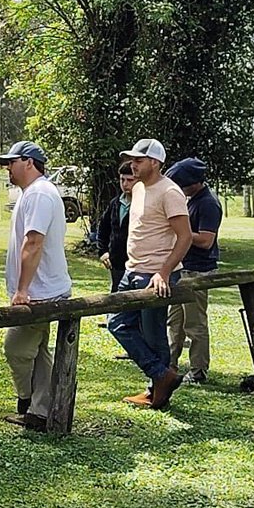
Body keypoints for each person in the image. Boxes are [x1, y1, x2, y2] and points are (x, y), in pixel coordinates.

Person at [108, 138, 192, 409]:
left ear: (155, 163)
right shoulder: (138, 188)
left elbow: (185, 237)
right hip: (132, 270)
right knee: (116, 323)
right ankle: (161, 376)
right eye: (131, 160)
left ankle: (157, 389)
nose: (133, 165)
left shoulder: (170, 192)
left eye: (138, 160)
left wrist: (164, 273)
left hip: (155, 275)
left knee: (153, 334)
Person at [0, 141, 71, 432]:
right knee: (38, 351)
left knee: (16, 348)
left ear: (29, 162)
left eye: (12, 162)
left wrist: (23, 290)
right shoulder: (34, 192)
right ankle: (41, 410)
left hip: (41, 293)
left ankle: (28, 400)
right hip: (44, 289)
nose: (7, 168)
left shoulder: (39, 193)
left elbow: (34, 242)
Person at [164, 157, 223, 384]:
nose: (180, 190)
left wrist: (181, 232)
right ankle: (168, 366)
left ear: (196, 183)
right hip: (182, 269)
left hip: (197, 272)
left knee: (194, 324)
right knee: (174, 323)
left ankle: (198, 371)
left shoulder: (208, 203)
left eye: (183, 186)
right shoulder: (191, 200)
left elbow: (207, 241)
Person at [97, 162, 136, 294]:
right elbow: (103, 228)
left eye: (130, 180)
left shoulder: (144, 204)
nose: (125, 184)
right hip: (116, 263)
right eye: (122, 180)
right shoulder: (115, 203)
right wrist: (103, 251)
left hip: (137, 264)